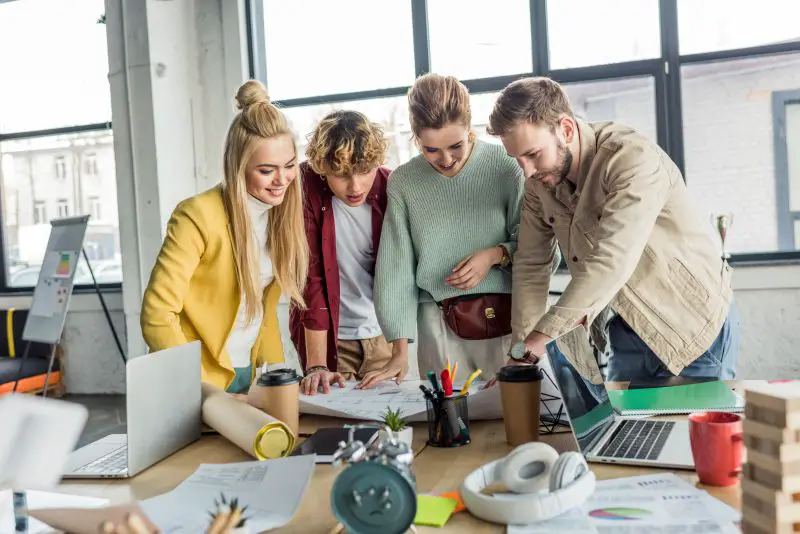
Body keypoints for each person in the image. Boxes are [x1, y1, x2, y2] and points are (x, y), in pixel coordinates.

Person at [489, 76, 740, 382]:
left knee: (688, 429)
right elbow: (531, 264)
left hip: (691, 327)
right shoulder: (537, 184)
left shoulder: (631, 159)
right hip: (625, 331)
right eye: (517, 159)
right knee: (625, 429)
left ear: (565, 130)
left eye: (532, 154)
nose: (526, 171)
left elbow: (611, 259)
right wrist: (522, 357)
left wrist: (541, 338)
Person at [375, 73, 558, 382]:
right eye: (431, 150)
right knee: (448, 423)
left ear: (470, 129)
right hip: (436, 325)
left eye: (455, 145)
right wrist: (399, 352)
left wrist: (494, 254)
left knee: (513, 418)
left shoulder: (507, 165)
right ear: (416, 138)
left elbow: (539, 247)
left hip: (509, 319)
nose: (446, 159)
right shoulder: (403, 182)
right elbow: (396, 269)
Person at [141, 80, 308, 395]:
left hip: (249, 374)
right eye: (266, 170)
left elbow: (264, 313)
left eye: (288, 166)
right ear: (239, 165)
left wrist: (277, 381)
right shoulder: (197, 215)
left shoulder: (280, 217)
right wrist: (196, 385)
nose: (281, 180)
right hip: (198, 378)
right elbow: (157, 312)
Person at [289, 110, 407, 395]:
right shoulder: (305, 186)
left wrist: (400, 350)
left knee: (386, 418)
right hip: (327, 337)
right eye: (341, 175)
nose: (355, 186)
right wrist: (317, 365)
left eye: (365, 171)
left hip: (381, 335)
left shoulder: (394, 188)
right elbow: (310, 275)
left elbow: (402, 272)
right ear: (321, 167)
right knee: (334, 418)